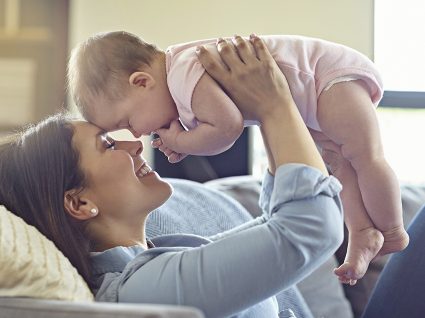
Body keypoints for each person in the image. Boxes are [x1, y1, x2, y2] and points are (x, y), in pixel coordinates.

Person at [0, 36, 344, 317]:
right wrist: (274, 105)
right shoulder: (142, 289)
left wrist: (266, 109)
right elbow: (308, 230)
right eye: (107, 144)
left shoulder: (159, 255)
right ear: (79, 202)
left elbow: (277, 222)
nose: (134, 145)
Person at [67, 31, 408, 284]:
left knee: (365, 157)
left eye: (127, 123)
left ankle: (392, 230)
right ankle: (363, 232)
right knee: (343, 166)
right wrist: (185, 136)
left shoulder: (185, 72)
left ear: (141, 82)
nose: (138, 135)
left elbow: (227, 128)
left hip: (327, 79)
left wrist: (186, 142)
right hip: (310, 100)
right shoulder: (180, 86)